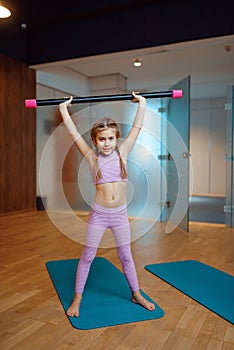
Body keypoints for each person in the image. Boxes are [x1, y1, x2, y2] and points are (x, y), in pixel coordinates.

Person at [59, 92, 155, 317]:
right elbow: (73, 134)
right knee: (88, 256)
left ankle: (136, 293)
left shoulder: (122, 153)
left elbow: (137, 128)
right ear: (95, 141)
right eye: (102, 139)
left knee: (126, 255)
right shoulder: (92, 158)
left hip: (120, 215)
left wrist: (142, 103)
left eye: (110, 138)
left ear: (116, 139)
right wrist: (64, 109)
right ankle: (77, 298)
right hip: (99, 215)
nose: (107, 143)